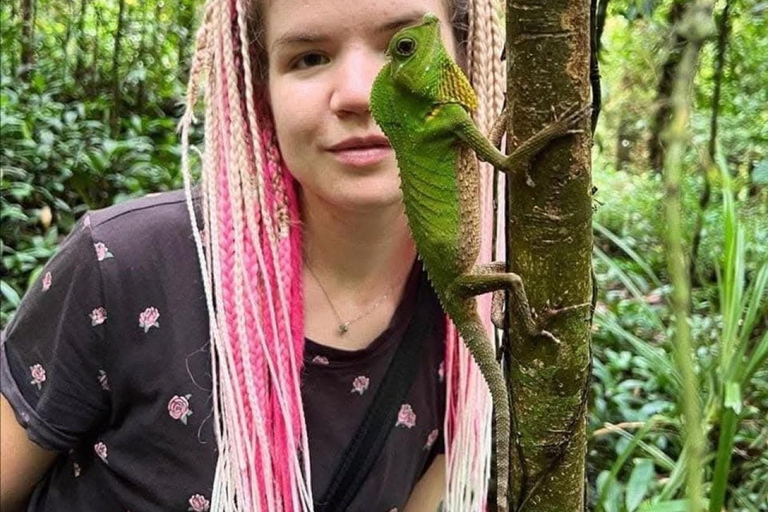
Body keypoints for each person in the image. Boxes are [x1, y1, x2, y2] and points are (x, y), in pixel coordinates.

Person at [0, 0, 505, 510]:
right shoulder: (122, 265)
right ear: (260, 91)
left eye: (400, 48)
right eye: (308, 57)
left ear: (467, 62)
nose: (358, 93)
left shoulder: (482, 309)